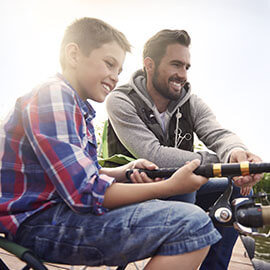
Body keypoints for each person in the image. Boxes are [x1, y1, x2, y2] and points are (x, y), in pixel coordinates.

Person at [0, 18, 221, 270]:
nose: (115, 77)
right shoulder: (54, 95)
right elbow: (85, 193)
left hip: (55, 215)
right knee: (192, 225)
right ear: (73, 54)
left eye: (119, 70)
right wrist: (169, 186)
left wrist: (125, 172)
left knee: (192, 220)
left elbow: (83, 176)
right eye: (109, 64)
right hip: (39, 224)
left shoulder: (75, 105)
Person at [106, 29, 262, 269]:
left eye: (187, 67)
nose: (182, 75)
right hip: (132, 186)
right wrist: (217, 163)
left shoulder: (193, 102)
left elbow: (218, 134)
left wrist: (236, 154)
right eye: (176, 65)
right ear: (149, 65)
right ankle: (182, 250)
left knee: (239, 192)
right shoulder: (120, 100)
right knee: (188, 183)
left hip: (182, 182)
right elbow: (153, 153)